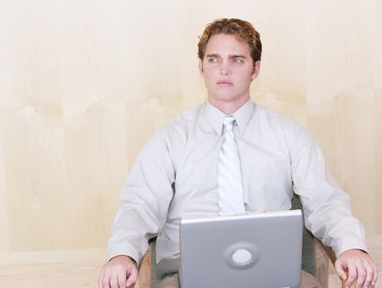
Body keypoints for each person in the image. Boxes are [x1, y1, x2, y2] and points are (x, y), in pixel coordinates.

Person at [97, 18, 378, 288]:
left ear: (255, 69)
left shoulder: (289, 136)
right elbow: (138, 205)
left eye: (237, 60)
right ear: (201, 67)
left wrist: (352, 247)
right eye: (214, 59)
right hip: (188, 277)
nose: (224, 69)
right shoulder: (170, 139)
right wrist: (122, 254)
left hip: (275, 275)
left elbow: (326, 202)